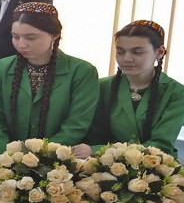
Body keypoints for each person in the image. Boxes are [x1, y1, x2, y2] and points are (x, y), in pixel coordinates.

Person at [0, 2, 99, 154]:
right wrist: (9, 155)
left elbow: (76, 126)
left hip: (58, 160)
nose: (21, 45)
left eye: (31, 38)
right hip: (6, 159)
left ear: (54, 35)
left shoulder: (82, 72)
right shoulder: (1, 68)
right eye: (15, 37)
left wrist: (41, 156)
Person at [74, 20, 184, 158]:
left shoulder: (176, 92)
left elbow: (161, 144)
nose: (126, 58)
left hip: (157, 164)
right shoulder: (102, 87)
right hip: (104, 164)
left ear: (160, 52)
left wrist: (97, 150)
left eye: (137, 52)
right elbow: (92, 135)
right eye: (120, 52)